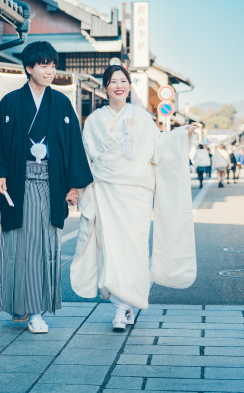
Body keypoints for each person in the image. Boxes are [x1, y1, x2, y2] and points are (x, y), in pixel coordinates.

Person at [0, 41, 92, 334]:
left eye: (52, 65)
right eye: (43, 65)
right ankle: (21, 305)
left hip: (52, 187)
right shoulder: (11, 102)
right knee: (18, 247)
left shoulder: (62, 103)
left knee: (46, 247)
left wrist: (74, 186)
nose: (49, 71)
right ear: (29, 68)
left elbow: (73, 147)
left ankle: (37, 311)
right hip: (18, 185)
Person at [70, 65, 197, 331]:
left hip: (136, 195)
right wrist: (76, 188)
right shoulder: (94, 120)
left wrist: (181, 135)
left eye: (123, 81)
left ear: (129, 86)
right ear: (104, 88)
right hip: (106, 192)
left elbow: (159, 147)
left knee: (135, 249)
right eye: (113, 81)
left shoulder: (142, 117)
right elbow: (84, 158)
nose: (118, 85)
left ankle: (126, 304)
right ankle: (122, 307)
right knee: (111, 249)